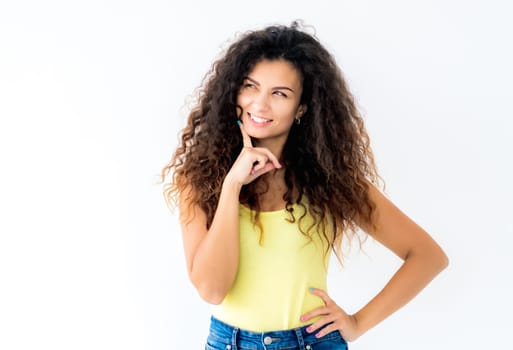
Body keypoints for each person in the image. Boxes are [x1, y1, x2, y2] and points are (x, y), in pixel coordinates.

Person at [162, 21, 448, 350]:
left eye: (279, 94)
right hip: (230, 342)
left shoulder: (331, 180)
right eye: (250, 87)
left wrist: (356, 323)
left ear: (302, 107)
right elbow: (212, 290)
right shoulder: (199, 180)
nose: (260, 104)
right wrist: (231, 186)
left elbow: (428, 256)